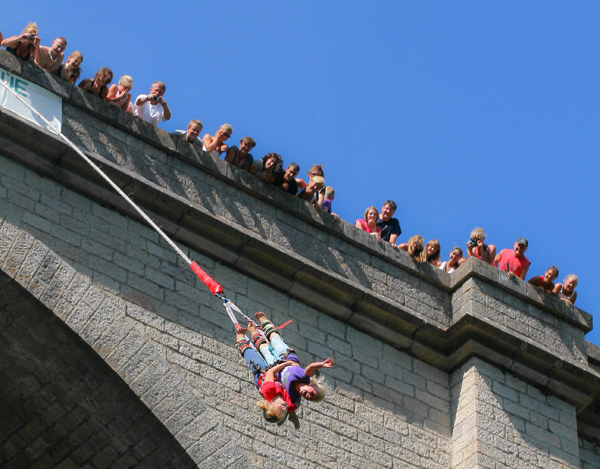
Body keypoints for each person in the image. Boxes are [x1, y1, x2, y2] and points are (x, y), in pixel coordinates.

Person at [250, 312, 332, 410]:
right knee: (275, 338)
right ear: (312, 385)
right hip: (286, 355)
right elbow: (311, 367)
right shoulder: (304, 377)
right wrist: (322, 364)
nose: (309, 396)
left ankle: (253, 332)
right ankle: (264, 321)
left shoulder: (293, 396)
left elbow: (284, 403)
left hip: (274, 365)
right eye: (313, 394)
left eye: (310, 399)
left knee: (263, 348)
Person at [234, 327, 294, 424]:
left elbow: (270, 372)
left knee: (254, 357)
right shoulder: (288, 403)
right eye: (284, 412)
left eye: (280, 409)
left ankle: (240, 343)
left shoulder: (268, 390)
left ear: (271, 404)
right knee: (266, 350)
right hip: (274, 376)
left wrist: (286, 363)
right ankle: (254, 333)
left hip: (262, 374)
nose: (284, 408)